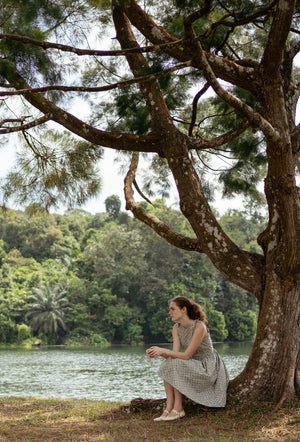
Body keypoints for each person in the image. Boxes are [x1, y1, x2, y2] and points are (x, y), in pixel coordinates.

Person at [146, 296, 229, 421]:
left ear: (183, 309)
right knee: (167, 364)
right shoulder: (176, 328)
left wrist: (163, 350)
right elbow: (175, 354)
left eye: (173, 309)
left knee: (175, 364)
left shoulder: (199, 326)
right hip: (193, 363)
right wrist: (158, 352)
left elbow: (186, 356)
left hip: (208, 367)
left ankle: (178, 408)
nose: (170, 313)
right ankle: (169, 408)